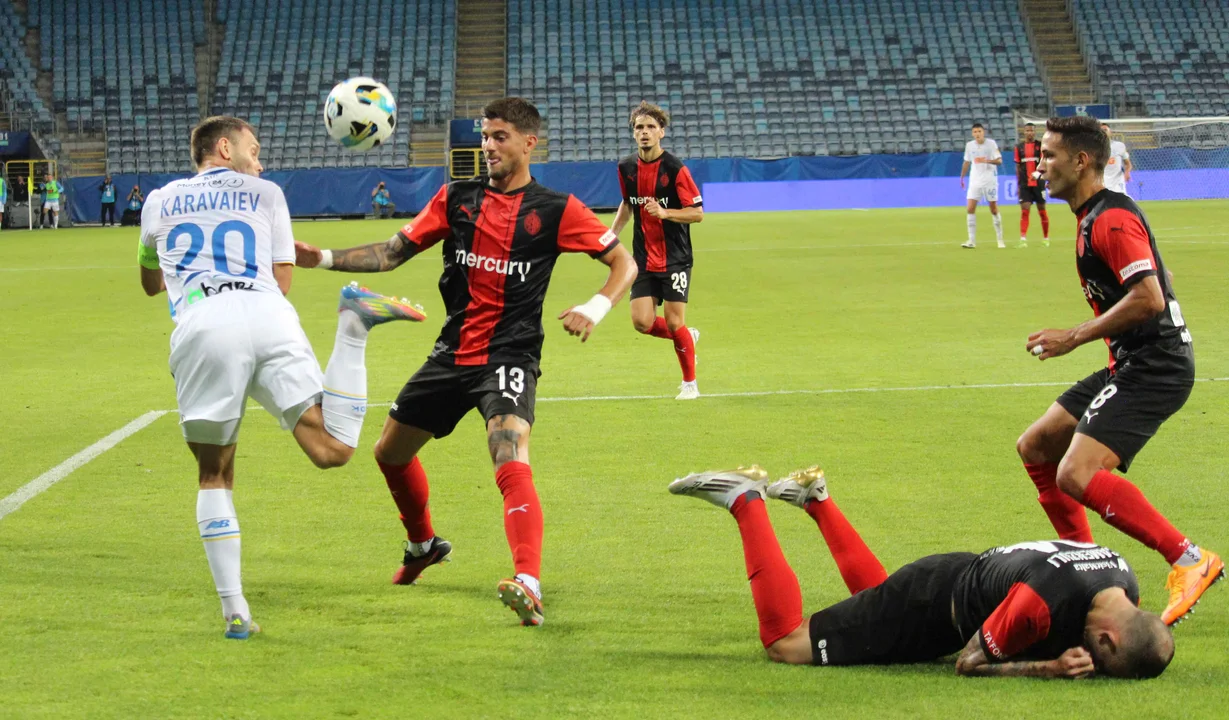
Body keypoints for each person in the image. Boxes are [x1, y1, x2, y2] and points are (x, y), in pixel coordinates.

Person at [294, 97, 637, 627]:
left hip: (510, 353)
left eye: (500, 137)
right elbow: (392, 252)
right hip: (452, 352)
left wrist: (595, 307)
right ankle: (423, 545)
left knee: (508, 448)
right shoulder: (457, 197)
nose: (488, 146)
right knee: (389, 453)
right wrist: (321, 258)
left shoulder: (556, 209)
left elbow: (624, 263)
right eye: (485, 136)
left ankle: (528, 582)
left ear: (529, 143)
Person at [138, 115, 428, 640]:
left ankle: (235, 611)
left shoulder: (158, 200)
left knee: (214, 474)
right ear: (223, 148)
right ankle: (353, 326)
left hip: (204, 324)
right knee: (333, 448)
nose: (260, 161)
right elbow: (283, 280)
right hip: (268, 314)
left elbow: (150, 282)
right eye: (253, 149)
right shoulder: (267, 194)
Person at [668, 465, 1174, 678]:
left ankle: (815, 499)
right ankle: (745, 500)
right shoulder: (1039, 606)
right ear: (1106, 639)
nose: (1093, 664)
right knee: (785, 643)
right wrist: (1049, 668)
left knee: (878, 600)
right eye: (1103, 662)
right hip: (931, 604)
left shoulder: (1122, 575)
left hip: (950, 576)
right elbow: (969, 662)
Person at [1018, 115, 1222, 626]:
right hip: (1131, 359)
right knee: (1037, 446)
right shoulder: (1095, 214)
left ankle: (1189, 559)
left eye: (1048, 156)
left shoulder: (1109, 218)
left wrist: (1073, 336)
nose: (1039, 166)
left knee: (1076, 472)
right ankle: (1089, 575)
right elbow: (1159, 274)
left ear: (1081, 161)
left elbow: (1150, 297)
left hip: (1156, 365)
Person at [608, 101, 705, 399]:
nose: (645, 132)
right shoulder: (626, 168)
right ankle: (687, 337)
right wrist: (610, 235)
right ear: (633, 133)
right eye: (639, 127)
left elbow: (697, 213)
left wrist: (665, 213)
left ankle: (690, 384)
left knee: (675, 322)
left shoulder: (675, 169)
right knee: (641, 322)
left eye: (651, 127)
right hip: (643, 258)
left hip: (675, 257)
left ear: (661, 132)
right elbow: (628, 204)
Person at [960, 123, 1004, 249]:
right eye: (975, 132)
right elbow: (966, 162)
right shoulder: (969, 145)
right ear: (972, 134)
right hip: (975, 181)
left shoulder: (991, 144)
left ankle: (1000, 240)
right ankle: (971, 241)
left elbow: (999, 161)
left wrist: (986, 160)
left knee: (993, 209)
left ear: (983, 132)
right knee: (970, 209)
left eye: (979, 131)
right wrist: (962, 177)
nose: (977, 134)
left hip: (990, 180)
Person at [1014, 123, 1049, 248]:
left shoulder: (1040, 146)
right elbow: (1018, 167)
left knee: (1042, 211)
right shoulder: (1019, 147)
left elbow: (1045, 163)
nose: (1030, 133)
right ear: (1024, 132)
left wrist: (1039, 174)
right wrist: (1018, 184)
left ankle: (1046, 238)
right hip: (1025, 184)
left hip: (1039, 183)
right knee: (1025, 211)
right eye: (1027, 130)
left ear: (1035, 132)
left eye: (1032, 130)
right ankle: (1023, 239)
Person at [1101, 123, 1133, 195]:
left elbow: (1128, 164)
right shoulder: (1093, 148)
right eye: (1101, 131)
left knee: (1123, 200)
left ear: (1110, 132)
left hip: (1117, 181)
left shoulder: (1119, 146)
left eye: (1105, 130)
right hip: (1102, 182)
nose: (1103, 132)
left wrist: (1127, 172)